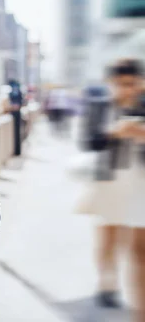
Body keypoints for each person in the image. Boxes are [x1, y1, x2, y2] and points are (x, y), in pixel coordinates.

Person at [79, 58, 145, 316]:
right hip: (109, 179)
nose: (127, 89)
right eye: (121, 84)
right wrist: (113, 134)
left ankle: (139, 307)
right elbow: (89, 141)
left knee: (139, 246)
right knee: (109, 237)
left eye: (132, 83)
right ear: (112, 83)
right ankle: (108, 283)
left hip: (140, 181)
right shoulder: (101, 106)